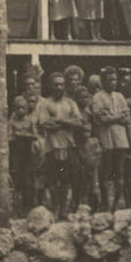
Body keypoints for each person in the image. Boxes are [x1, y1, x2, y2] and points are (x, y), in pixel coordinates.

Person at [34, 73, 87, 212]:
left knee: (66, 179)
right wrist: (67, 124)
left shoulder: (70, 103)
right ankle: (55, 208)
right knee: (52, 179)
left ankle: (64, 208)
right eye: (56, 84)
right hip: (51, 146)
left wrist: (60, 121)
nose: (59, 87)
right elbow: (45, 123)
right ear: (51, 86)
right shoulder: (44, 103)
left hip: (68, 145)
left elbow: (79, 121)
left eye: (62, 84)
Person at [89, 73, 131, 209]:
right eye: (109, 80)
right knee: (105, 173)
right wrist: (119, 117)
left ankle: (116, 204)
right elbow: (102, 119)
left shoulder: (120, 96)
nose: (112, 82)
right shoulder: (97, 97)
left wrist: (112, 117)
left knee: (120, 172)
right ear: (103, 81)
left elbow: (128, 118)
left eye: (114, 79)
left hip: (121, 139)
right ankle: (105, 204)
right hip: (106, 139)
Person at [9, 81, 41, 211]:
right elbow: (9, 137)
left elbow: (35, 136)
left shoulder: (30, 121)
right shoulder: (12, 121)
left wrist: (20, 135)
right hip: (17, 153)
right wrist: (21, 135)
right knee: (18, 179)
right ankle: (18, 204)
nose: (20, 110)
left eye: (23, 108)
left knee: (29, 179)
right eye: (18, 108)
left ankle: (30, 204)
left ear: (27, 109)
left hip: (29, 153)